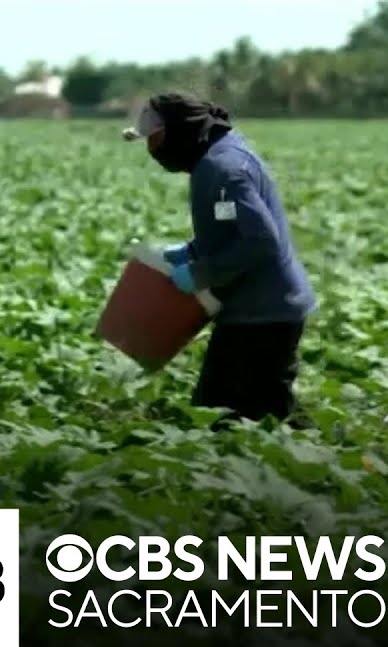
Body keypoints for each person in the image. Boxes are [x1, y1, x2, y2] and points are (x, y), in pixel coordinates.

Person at [122, 92, 317, 429]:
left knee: (226, 411)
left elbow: (260, 241)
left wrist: (200, 272)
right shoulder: (217, 156)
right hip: (257, 308)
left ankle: (326, 456)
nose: (152, 150)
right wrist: (191, 251)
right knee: (259, 407)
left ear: (179, 131)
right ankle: (322, 453)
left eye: (154, 139)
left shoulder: (223, 168)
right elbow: (232, 229)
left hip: (263, 312)